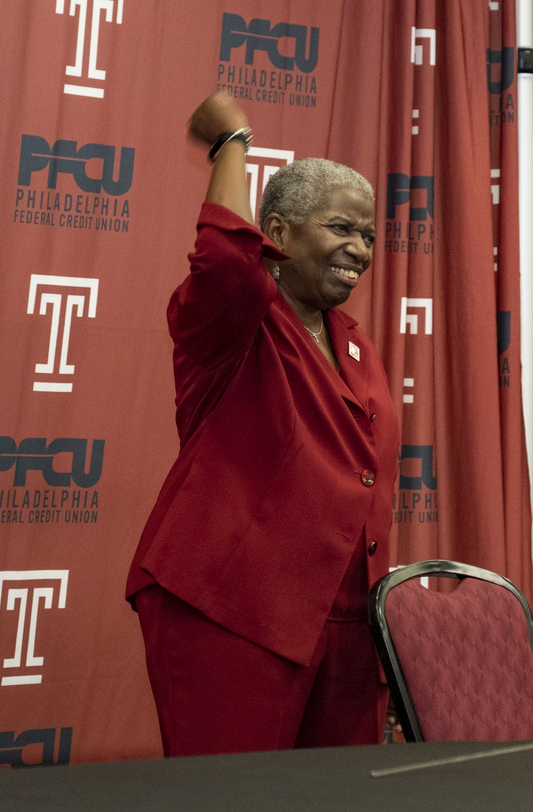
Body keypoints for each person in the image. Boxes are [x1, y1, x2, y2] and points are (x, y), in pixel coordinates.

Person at [125, 92, 399, 757]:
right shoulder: (232, 321)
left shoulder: (354, 340)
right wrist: (230, 143)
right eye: (340, 228)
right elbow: (225, 262)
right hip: (234, 607)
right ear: (276, 234)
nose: (359, 250)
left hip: (348, 624)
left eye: (367, 235)